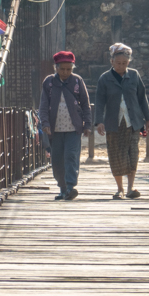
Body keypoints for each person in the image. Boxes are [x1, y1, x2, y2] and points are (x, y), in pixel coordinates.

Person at [95, 42, 149, 199]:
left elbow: (142, 98)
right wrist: (99, 121)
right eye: (118, 63)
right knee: (116, 155)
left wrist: (148, 119)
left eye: (124, 63)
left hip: (133, 122)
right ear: (111, 61)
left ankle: (130, 188)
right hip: (113, 123)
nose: (121, 66)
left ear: (129, 62)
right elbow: (100, 101)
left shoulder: (134, 75)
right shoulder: (104, 79)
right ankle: (119, 189)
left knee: (132, 153)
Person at [38, 51, 92, 201]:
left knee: (71, 156)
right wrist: (45, 124)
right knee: (57, 160)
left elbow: (86, 104)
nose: (66, 72)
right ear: (56, 67)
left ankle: (70, 186)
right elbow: (43, 106)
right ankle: (62, 189)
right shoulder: (48, 83)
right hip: (55, 129)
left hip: (73, 128)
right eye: (62, 69)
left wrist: (87, 124)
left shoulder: (77, 81)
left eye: (69, 69)